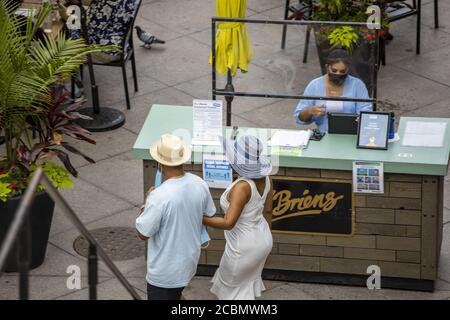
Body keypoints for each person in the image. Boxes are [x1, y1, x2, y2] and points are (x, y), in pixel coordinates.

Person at [135, 133, 216, 300]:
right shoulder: (199, 183)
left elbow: (143, 233)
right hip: (189, 262)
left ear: (161, 162)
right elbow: (208, 212)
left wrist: (145, 205)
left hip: (165, 273)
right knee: (177, 294)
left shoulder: (159, 196)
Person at [203, 135, 273, 300]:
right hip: (263, 239)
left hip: (243, 246)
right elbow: (268, 212)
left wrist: (200, 218)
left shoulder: (242, 187)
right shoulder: (268, 178)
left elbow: (228, 223)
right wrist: (262, 239)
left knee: (232, 294)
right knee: (244, 288)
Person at [293, 48, 373, 132]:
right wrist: (310, 111)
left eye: (342, 71)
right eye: (334, 70)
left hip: (351, 134)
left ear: (348, 69)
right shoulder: (314, 85)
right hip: (324, 135)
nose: (338, 74)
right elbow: (299, 117)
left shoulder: (357, 85)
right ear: (327, 67)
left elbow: (366, 114)